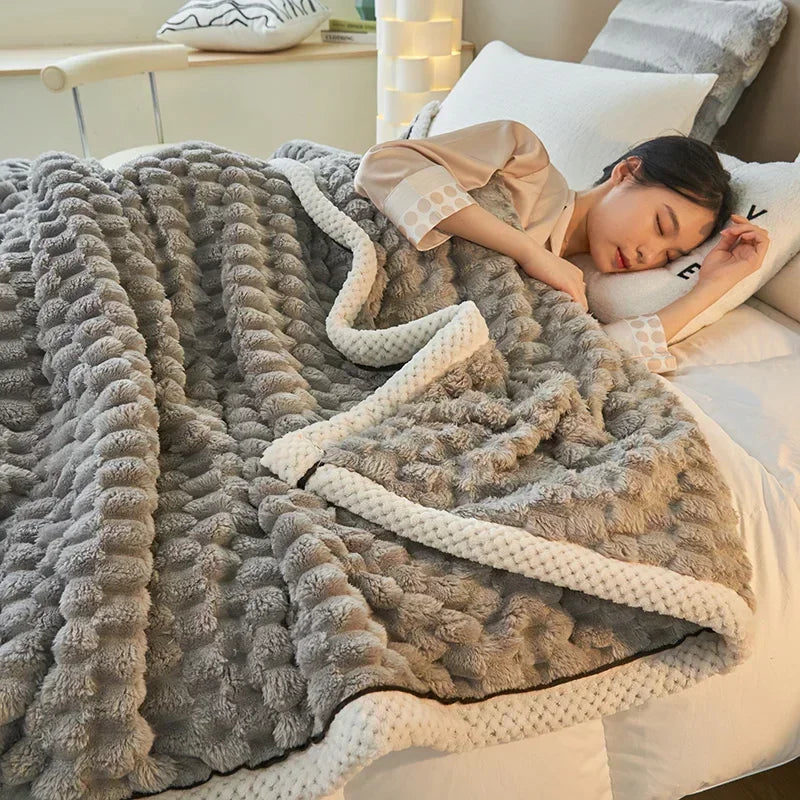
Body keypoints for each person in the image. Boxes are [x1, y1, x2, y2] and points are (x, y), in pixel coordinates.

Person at [353, 119, 770, 374]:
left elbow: (597, 362)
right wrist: (528, 251)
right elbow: (383, 165)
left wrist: (711, 288)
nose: (649, 254)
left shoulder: (575, 289)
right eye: (661, 225)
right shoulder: (522, 160)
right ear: (627, 172)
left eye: (669, 257)